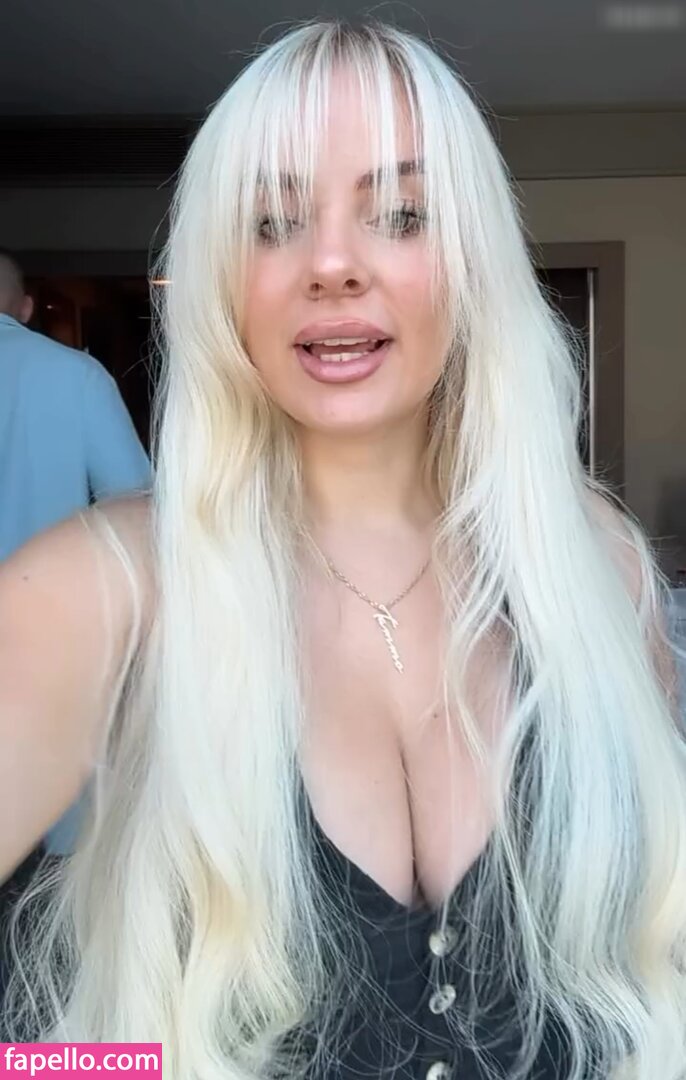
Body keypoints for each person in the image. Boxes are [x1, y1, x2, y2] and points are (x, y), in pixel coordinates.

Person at [0, 19, 684, 1080]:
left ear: (472, 260)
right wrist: (84, 1065)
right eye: (271, 222)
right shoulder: (99, 593)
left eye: (400, 215)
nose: (329, 265)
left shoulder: (597, 567)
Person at [0, 251, 151, 857]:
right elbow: (138, 506)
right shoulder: (75, 377)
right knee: (62, 844)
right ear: (26, 308)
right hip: (56, 641)